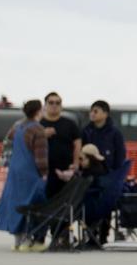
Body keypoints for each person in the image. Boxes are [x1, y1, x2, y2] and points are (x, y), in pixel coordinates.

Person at [0, 100, 49, 247]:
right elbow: (40, 156)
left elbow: (7, 146)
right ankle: (28, 239)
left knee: (15, 203)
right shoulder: (38, 130)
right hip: (30, 172)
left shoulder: (17, 126)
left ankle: (17, 240)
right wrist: (44, 173)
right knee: (32, 203)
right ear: (38, 112)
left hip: (15, 170)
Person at [80, 100, 128, 248]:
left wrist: (115, 174)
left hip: (108, 177)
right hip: (88, 176)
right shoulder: (86, 131)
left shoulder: (115, 133)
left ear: (105, 114)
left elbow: (120, 155)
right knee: (87, 204)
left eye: (96, 111)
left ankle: (103, 235)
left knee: (105, 205)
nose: (92, 114)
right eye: (91, 111)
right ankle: (90, 235)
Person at [36, 94, 82, 248]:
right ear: (45, 105)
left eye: (58, 102)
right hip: (43, 173)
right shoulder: (39, 125)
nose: (54, 105)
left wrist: (75, 163)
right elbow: (28, 143)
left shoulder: (69, 124)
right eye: (51, 102)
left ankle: (61, 237)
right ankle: (39, 236)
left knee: (64, 204)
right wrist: (42, 135)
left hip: (65, 174)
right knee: (42, 204)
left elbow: (77, 144)